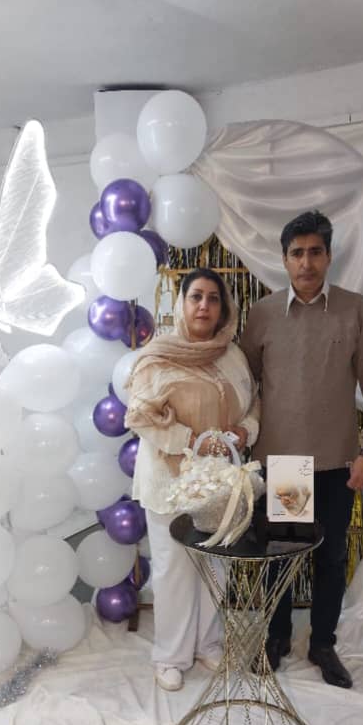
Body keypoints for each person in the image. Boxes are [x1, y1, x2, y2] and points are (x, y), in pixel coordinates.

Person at [240, 211, 363, 689]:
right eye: (297, 253)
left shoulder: (354, 309)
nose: (306, 262)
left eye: (315, 252)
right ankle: (278, 637)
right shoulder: (264, 314)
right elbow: (243, 382)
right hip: (285, 465)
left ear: (329, 256)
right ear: (284, 259)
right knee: (281, 556)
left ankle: (323, 643)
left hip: (336, 464)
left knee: (329, 559)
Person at [125, 268, 260, 691]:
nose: (204, 306)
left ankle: (207, 643)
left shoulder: (231, 354)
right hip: (170, 480)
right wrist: (192, 441)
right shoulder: (159, 356)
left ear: (224, 308)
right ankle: (170, 656)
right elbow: (140, 417)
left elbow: (253, 403)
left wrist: (245, 431)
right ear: (182, 303)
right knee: (174, 569)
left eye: (213, 298)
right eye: (196, 296)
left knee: (214, 564)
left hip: (218, 484)